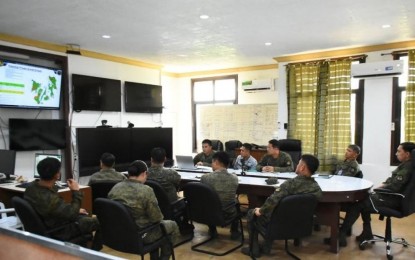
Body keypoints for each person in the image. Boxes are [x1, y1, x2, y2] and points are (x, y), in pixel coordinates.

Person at [241, 154, 323, 257]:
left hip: (279, 224)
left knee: (251, 213)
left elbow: (273, 200)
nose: (296, 166)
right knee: (275, 212)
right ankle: (266, 247)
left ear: (302, 167)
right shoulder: (316, 188)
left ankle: (254, 249)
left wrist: (261, 210)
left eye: (298, 164)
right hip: (299, 224)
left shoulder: (289, 184)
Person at [337, 142, 415, 247]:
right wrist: (384, 184)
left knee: (358, 204)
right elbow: (393, 181)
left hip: (393, 200)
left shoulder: (407, 167)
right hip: (395, 199)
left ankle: (342, 233)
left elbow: (394, 187)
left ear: (407, 154)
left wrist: (380, 188)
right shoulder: (407, 165)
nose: (396, 153)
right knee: (364, 201)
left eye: (399, 151)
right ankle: (367, 233)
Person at [108, 160, 180, 260]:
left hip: (120, 234)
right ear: (144, 173)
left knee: (156, 228)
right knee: (172, 226)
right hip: (141, 235)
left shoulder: (115, 188)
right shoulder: (146, 190)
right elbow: (156, 218)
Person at [24, 157, 101, 250]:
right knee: (100, 222)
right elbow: (71, 215)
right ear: (57, 175)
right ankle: (95, 252)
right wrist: (75, 191)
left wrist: (75, 209)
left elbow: (57, 208)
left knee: (85, 214)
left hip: (47, 223)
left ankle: (86, 244)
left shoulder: (31, 188)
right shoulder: (50, 200)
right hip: (60, 229)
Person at [200, 151, 241, 239]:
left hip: (208, 214)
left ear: (216, 162)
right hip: (228, 213)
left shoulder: (205, 177)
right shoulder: (234, 178)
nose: (211, 164)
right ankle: (234, 231)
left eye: (212, 162)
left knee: (209, 201)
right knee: (236, 202)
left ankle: (212, 229)